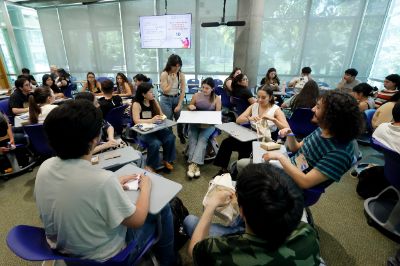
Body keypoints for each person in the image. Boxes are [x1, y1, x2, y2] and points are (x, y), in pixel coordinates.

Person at [35, 100, 175, 265]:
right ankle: (169, 261)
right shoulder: (101, 180)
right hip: (107, 258)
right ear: (95, 139)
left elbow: (78, 190)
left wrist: (114, 182)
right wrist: (146, 187)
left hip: (65, 254)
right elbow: (137, 221)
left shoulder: (45, 168)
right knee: (163, 208)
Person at [186, 163, 322, 266]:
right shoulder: (308, 233)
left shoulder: (218, 252)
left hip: (239, 238)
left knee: (189, 221)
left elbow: (193, 251)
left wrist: (211, 205)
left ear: (242, 212)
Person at [257, 91, 363, 190]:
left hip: (292, 186)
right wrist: (290, 134)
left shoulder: (340, 153)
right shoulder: (322, 129)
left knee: (246, 166)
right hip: (290, 169)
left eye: (317, 107)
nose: (312, 109)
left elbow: (305, 182)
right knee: (252, 161)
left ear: (332, 116)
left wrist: (280, 157)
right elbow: (296, 148)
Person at [213, 86, 289, 175]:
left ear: (270, 97)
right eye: (258, 97)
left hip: (267, 138)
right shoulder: (254, 105)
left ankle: (240, 172)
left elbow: (287, 129)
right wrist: (250, 118)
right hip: (252, 135)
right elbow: (238, 120)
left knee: (245, 148)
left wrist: (274, 120)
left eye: (263, 97)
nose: (259, 100)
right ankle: (224, 169)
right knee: (227, 143)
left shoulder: (276, 109)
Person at [132, 83, 176, 172]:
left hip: (157, 127)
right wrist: (151, 120)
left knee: (170, 137)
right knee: (155, 143)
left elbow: (161, 114)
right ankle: (151, 165)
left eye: (153, 92)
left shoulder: (153, 100)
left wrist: (163, 117)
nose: (153, 94)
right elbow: (136, 121)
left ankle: (167, 160)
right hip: (144, 131)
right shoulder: (137, 104)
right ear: (143, 94)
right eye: (151, 92)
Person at [186, 78, 221, 179]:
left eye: (207, 88)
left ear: (212, 89)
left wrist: (209, 118)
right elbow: (190, 106)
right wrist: (191, 107)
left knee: (202, 140)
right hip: (195, 123)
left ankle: (193, 164)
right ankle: (195, 165)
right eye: (203, 87)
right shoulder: (196, 95)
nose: (204, 90)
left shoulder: (216, 98)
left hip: (209, 124)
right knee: (193, 139)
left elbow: (218, 115)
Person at [159, 54, 186, 144]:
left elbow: (182, 91)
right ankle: (169, 138)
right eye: (175, 66)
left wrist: (179, 104)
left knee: (180, 119)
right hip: (166, 99)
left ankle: (181, 134)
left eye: (179, 66)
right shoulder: (164, 74)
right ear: (170, 65)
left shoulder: (181, 74)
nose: (177, 68)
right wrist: (172, 81)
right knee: (168, 120)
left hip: (176, 98)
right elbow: (165, 90)